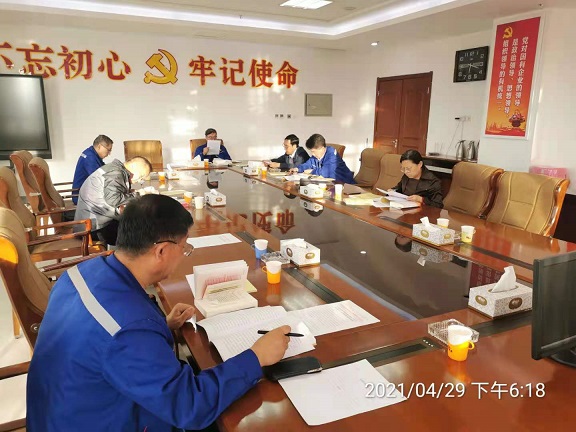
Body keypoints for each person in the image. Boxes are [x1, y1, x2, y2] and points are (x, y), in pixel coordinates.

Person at [27, 194, 290, 431]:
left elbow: (107, 339)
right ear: (161, 250)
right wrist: (256, 357)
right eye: (184, 248)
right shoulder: (129, 329)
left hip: (60, 411)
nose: (184, 255)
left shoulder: (79, 273)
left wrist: (161, 325)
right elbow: (189, 407)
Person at [74, 156, 152, 245]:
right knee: (138, 234)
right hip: (93, 228)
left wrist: (132, 193)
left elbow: (113, 194)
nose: (140, 180)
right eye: (141, 176)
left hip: (96, 221)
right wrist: (138, 194)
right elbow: (114, 199)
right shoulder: (116, 173)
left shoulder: (115, 169)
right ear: (134, 167)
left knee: (137, 226)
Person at [291, 134, 355, 184]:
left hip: (345, 185)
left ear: (322, 148)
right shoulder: (316, 156)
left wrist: (311, 171)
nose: (312, 154)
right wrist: (298, 169)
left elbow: (326, 172)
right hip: (330, 185)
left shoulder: (331, 153)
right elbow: (308, 164)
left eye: (313, 151)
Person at [71, 135, 113, 204]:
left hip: (87, 192)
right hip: (82, 196)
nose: (109, 153)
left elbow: (104, 170)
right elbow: (99, 178)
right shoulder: (90, 158)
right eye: (108, 150)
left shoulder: (91, 153)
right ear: (99, 146)